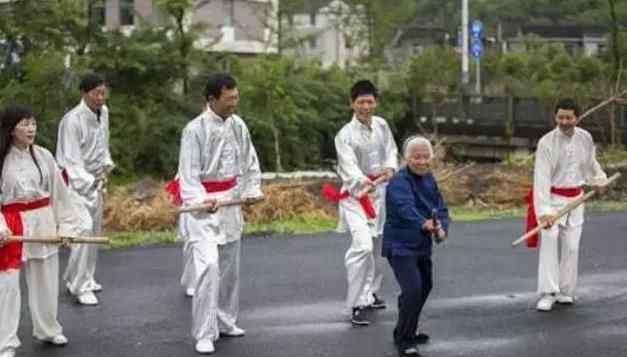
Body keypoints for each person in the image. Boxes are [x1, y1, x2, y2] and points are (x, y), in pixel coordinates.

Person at [165, 73, 263, 354]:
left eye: (236, 97)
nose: (234, 103)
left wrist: (251, 190)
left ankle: (225, 320)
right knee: (208, 267)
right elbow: (188, 173)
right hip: (203, 208)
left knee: (230, 269)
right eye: (229, 98)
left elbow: (250, 161)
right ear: (212, 99)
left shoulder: (239, 125)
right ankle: (204, 332)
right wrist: (200, 200)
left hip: (230, 202)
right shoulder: (194, 130)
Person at [0, 105, 85, 357]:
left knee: (46, 279)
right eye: (25, 123)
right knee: (7, 285)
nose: (31, 128)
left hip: (43, 220)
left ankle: (48, 329)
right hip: (11, 225)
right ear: (11, 128)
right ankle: (5, 341)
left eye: (33, 123)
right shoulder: (1, 158)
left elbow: (60, 194)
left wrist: (67, 225)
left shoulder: (44, 156)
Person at [324, 79, 398, 326]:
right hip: (356, 198)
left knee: (377, 248)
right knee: (363, 247)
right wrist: (363, 183)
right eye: (360, 102)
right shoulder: (344, 135)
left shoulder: (382, 125)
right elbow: (348, 168)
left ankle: (370, 293)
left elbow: (391, 150)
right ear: (351, 104)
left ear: (376, 102)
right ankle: (355, 303)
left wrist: (389, 168)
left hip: (381, 194)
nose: (366, 106)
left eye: (369, 101)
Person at [527, 98, 608, 312]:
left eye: (568, 117)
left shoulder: (585, 138)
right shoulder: (546, 142)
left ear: (577, 118)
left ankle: (565, 291)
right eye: (560, 117)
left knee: (572, 246)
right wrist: (543, 211)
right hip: (552, 200)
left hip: (577, 199)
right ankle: (548, 292)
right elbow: (541, 179)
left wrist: (600, 180)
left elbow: (591, 164)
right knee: (550, 240)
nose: (564, 121)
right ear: (555, 117)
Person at [383, 136, 449, 357]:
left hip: (421, 244)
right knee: (412, 290)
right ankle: (405, 340)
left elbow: (440, 208)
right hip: (400, 244)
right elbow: (404, 208)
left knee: (425, 286)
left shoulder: (430, 179)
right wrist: (424, 223)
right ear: (406, 158)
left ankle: (405, 327)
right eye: (416, 157)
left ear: (431, 157)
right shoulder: (398, 182)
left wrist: (442, 228)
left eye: (425, 156)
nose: (421, 161)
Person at [56, 72, 115, 306]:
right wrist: (88, 181)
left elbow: (103, 144)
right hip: (75, 182)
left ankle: (85, 278)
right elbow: (70, 160)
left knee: (94, 232)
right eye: (96, 93)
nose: (101, 98)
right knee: (83, 230)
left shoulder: (104, 113)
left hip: (96, 179)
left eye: (103, 92)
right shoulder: (71, 120)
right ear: (84, 93)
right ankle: (78, 286)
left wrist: (105, 169)